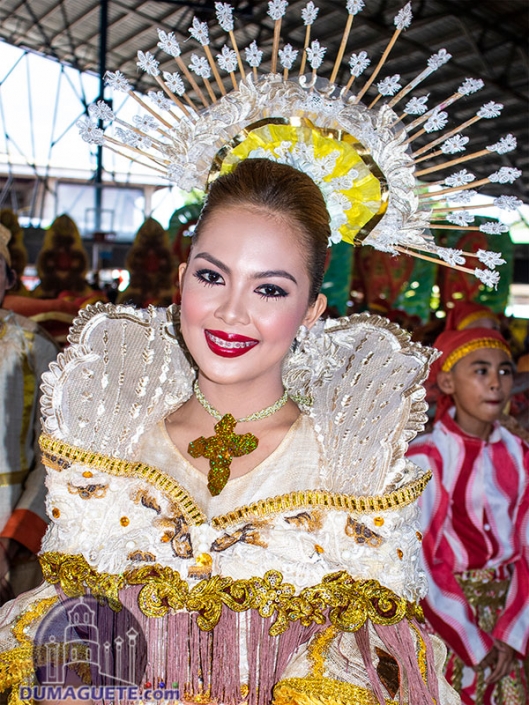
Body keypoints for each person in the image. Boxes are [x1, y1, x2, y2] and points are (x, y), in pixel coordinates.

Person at [407, 327, 529, 704]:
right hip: (446, 619)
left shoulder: (520, 455)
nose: (495, 382)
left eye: (505, 371)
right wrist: (476, 644)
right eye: (480, 371)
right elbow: (421, 560)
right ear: (447, 381)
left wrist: (512, 633)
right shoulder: (425, 459)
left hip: (508, 612)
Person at [0, 224, 58, 603]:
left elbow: (52, 456)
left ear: (9, 278)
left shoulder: (34, 346)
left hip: (13, 537)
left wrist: (10, 541)